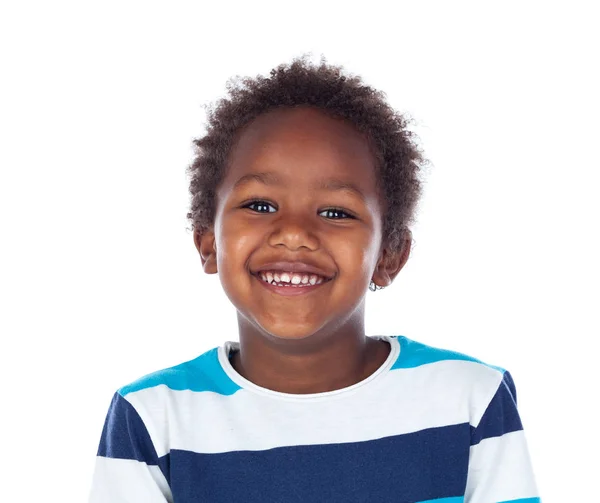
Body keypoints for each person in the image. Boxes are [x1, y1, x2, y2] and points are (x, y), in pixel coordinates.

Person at [88, 56, 540, 502]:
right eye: (260, 205)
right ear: (208, 243)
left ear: (390, 255)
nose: (294, 234)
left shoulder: (469, 400)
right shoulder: (153, 417)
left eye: (336, 212)